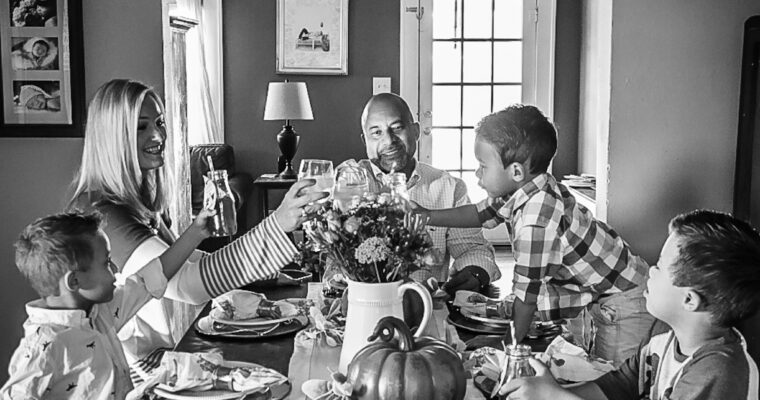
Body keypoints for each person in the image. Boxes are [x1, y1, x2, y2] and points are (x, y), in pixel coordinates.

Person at [68, 79, 325, 380]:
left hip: (168, 355)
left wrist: (268, 274)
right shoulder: (104, 215)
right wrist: (277, 224)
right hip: (139, 373)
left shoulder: (134, 204)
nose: (157, 135)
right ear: (112, 137)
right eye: (141, 127)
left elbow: (191, 261)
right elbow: (187, 286)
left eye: (160, 122)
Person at [416, 104, 653, 365]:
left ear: (516, 171)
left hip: (622, 301)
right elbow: (478, 214)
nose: (477, 173)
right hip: (599, 294)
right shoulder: (525, 187)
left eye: (483, 165)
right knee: (585, 362)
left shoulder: (536, 219)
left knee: (613, 377)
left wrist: (510, 346)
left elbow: (527, 295)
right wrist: (427, 214)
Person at [499, 210, 760, 400]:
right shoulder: (661, 345)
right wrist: (545, 391)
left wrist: (556, 397)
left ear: (689, 300)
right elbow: (614, 388)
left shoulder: (719, 371)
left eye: (660, 265)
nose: (651, 271)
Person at [1, 209, 215, 399]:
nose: (115, 269)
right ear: (74, 281)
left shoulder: (101, 312)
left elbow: (150, 278)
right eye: (106, 263)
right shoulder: (43, 345)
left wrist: (195, 233)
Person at [339, 92, 499, 294]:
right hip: (360, 305)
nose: (389, 140)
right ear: (365, 141)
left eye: (397, 128)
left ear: (415, 131)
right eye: (376, 133)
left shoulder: (449, 187)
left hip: (426, 307)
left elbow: (472, 248)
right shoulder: (348, 183)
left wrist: (476, 272)